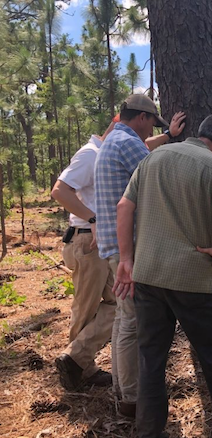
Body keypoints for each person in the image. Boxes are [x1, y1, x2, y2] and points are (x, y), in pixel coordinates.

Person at [113, 112, 212, 438]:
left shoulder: (154, 156)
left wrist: (127, 260)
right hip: (193, 279)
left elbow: (123, 207)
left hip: (147, 275)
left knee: (151, 359)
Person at [94, 94, 175, 418]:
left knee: (123, 319)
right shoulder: (128, 142)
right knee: (131, 321)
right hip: (128, 250)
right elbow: (161, 177)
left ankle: (122, 388)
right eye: (150, 124)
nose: (149, 131)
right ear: (141, 118)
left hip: (116, 247)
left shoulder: (114, 140)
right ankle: (132, 397)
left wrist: (169, 137)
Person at [52, 133, 116, 391]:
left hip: (98, 241)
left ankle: (76, 359)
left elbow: (144, 145)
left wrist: (169, 136)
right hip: (87, 241)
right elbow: (60, 190)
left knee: (120, 301)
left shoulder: (107, 151)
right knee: (86, 308)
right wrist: (94, 219)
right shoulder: (90, 153)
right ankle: (80, 369)